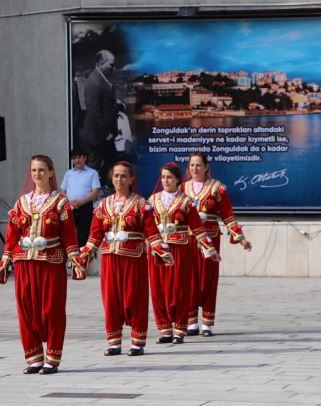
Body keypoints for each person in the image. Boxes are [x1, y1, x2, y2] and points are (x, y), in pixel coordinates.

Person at [0, 154, 85, 374]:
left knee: (52, 308)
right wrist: (6, 258)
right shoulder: (22, 202)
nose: (37, 174)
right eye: (33, 170)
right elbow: (12, 233)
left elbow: (68, 235)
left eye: (41, 170)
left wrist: (75, 259)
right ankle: (34, 357)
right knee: (26, 309)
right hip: (24, 262)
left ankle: (52, 357)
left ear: (51, 173)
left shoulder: (60, 202)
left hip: (50, 261)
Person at [78, 161, 172, 356]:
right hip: (110, 258)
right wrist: (85, 253)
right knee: (111, 300)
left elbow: (151, 231)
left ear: (131, 179)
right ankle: (114, 342)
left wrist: (160, 249)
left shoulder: (141, 204)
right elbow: (95, 234)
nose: (119, 179)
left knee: (134, 298)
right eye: (116, 176)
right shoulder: (103, 205)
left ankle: (137, 342)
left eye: (123, 176)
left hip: (133, 258)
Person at [148, 162, 220, 344]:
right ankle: (164, 329)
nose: (166, 180)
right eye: (163, 177)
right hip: (157, 252)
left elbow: (197, 228)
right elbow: (147, 228)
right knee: (158, 290)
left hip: (180, 250)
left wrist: (209, 248)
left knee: (179, 289)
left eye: (169, 177)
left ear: (178, 180)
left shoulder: (186, 201)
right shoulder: (152, 200)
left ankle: (180, 328)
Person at [183, 152, 252, 337]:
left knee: (208, 279)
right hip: (188, 240)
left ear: (206, 166)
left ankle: (206, 322)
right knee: (189, 280)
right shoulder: (182, 188)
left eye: (198, 165)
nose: (195, 169)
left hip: (210, 239)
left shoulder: (217, 188)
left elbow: (228, 215)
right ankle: (191, 321)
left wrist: (240, 237)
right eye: (191, 166)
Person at [79, 49, 119, 185]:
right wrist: (105, 134)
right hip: (98, 137)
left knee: (110, 164)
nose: (114, 68)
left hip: (103, 136)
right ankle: (89, 197)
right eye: (111, 65)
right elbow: (93, 112)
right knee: (95, 166)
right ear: (101, 63)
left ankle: (104, 192)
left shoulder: (101, 78)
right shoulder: (94, 82)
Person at [60, 148, 101, 248]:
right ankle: (70, 256)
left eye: (79, 157)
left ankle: (81, 259)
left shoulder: (92, 173)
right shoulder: (68, 173)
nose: (77, 160)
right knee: (68, 232)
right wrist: (69, 202)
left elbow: (96, 190)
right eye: (74, 158)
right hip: (70, 207)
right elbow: (62, 190)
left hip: (85, 207)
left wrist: (81, 202)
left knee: (83, 234)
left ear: (85, 158)